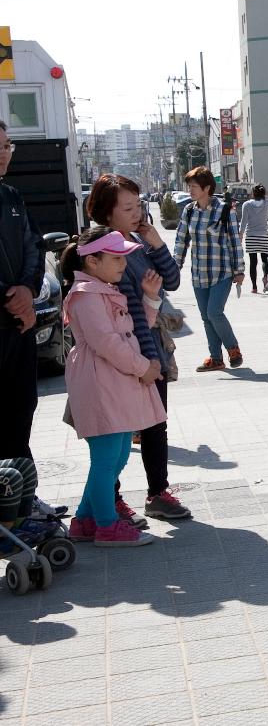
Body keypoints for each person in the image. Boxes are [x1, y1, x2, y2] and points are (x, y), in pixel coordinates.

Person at [87, 174, 188, 522]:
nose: (136, 212)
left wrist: (156, 242)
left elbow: (171, 281)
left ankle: (157, 492)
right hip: (123, 350)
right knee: (116, 431)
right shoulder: (104, 249)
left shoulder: (137, 244)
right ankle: (110, 500)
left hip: (148, 342)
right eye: (127, 207)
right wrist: (145, 359)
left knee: (154, 423)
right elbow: (126, 309)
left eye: (138, 205)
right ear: (106, 212)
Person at [61, 228, 165, 547]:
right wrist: (143, 367)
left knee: (116, 456)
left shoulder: (102, 289)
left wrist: (150, 297)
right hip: (100, 385)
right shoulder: (86, 294)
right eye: (115, 257)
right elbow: (106, 343)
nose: (123, 262)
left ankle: (84, 519)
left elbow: (129, 330)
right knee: (107, 458)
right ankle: (107, 525)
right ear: (92, 261)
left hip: (113, 384)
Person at [173, 166, 244, 373]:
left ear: (207, 188)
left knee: (214, 312)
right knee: (206, 317)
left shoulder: (224, 209)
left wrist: (239, 270)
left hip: (222, 273)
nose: (190, 190)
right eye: (189, 186)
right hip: (199, 273)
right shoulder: (189, 210)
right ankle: (216, 358)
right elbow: (181, 240)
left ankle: (233, 349)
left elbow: (234, 242)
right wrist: (173, 267)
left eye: (194, 186)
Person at [0, 121, 43, 463]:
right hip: (7, 316)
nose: (3, 154)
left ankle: (21, 497)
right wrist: (11, 300)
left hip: (20, 324)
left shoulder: (12, 195)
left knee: (21, 405)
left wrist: (27, 291)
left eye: (7, 145)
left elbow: (34, 246)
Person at [239, 184, 268, 293]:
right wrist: (267, 192)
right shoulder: (267, 203)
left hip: (251, 236)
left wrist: (240, 236)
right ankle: (265, 276)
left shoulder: (247, 204)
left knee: (253, 262)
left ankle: (254, 287)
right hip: (263, 235)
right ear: (263, 193)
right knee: (265, 259)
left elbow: (243, 222)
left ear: (253, 193)